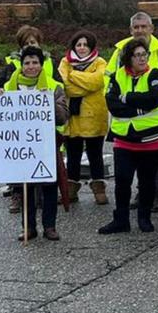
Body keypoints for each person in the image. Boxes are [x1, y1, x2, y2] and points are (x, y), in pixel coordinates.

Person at [0, 46, 68, 241]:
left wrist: (47, 101)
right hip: (21, 146)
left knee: (49, 187)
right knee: (25, 188)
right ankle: (28, 228)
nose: (31, 66)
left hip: (46, 145)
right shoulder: (10, 86)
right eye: (27, 63)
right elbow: (1, 114)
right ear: (22, 64)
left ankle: (49, 226)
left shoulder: (53, 86)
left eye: (35, 62)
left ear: (42, 65)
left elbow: (63, 117)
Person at [106, 12, 158, 213]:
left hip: (157, 118)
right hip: (126, 121)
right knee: (127, 166)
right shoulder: (120, 51)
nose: (140, 30)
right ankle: (139, 196)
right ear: (130, 30)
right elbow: (109, 82)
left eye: (143, 26)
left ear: (152, 29)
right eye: (136, 27)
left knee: (154, 162)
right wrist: (129, 106)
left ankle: (157, 194)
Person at [99, 38, 158, 235]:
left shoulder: (154, 74)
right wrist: (139, 109)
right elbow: (113, 105)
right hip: (124, 140)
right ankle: (121, 220)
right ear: (128, 58)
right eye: (137, 55)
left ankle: (144, 218)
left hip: (152, 140)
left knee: (147, 182)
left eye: (144, 54)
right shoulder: (117, 76)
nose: (142, 58)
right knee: (122, 180)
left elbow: (154, 99)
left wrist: (127, 98)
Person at [0, 25, 58, 214]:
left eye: (32, 42)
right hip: (19, 130)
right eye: (25, 44)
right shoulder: (11, 65)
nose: (31, 66)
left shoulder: (50, 63)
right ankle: (18, 194)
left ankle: (45, 198)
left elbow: (59, 85)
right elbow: (3, 89)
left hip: (43, 128)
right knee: (19, 162)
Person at [59, 30, 109, 206]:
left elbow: (97, 82)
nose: (81, 48)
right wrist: (85, 85)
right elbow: (65, 86)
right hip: (73, 117)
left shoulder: (100, 62)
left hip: (94, 115)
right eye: (78, 44)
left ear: (91, 47)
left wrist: (73, 76)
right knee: (73, 154)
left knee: (95, 154)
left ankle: (99, 189)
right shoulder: (65, 62)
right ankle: (71, 190)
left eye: (85, 45)